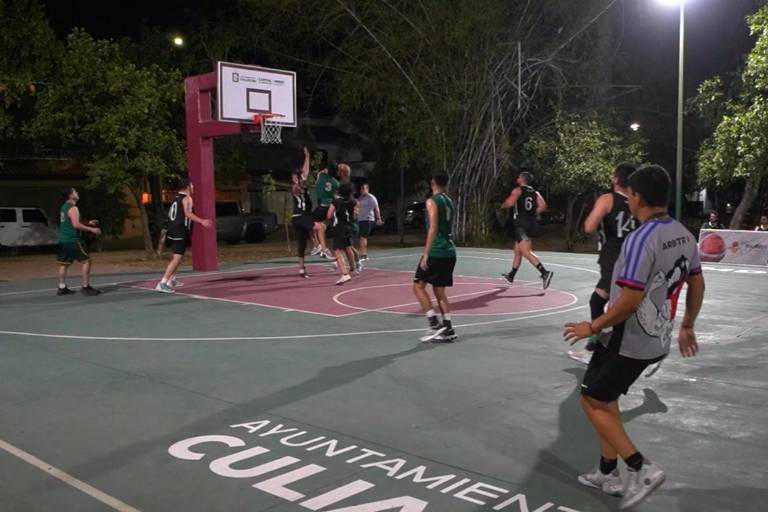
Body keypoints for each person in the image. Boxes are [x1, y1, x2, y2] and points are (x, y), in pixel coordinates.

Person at [564, 165, 705, 509]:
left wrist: (593, 327)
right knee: (607, 398)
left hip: (627, 340)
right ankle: (608, 472)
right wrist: (687, 324)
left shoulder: (641, 239)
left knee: (591, 400)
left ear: (636, 196)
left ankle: (641, 467)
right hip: (656, 340)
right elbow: (697, 281)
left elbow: (629, 300)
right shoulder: (684, 234)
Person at [569, 164, 638, 364]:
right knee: (609, 302)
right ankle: (596, 343)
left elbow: (589, 226)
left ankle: (599, 347)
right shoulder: (638, 204)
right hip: (634, 258)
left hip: (614, 258)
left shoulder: (608, 199)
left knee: (605, 304)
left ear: (616, 179)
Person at [413, 174, 458, 343]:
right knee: (439, 291)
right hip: (450, 251)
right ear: (446, 184)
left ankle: (434, 324)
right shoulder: (449, 201)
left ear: (432, 183)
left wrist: (426, 253)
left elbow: (433, 227)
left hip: (436, 251)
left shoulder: (432, 201)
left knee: (418, 286)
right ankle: (448, 328)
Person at [155, 179, 213, 293]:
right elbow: (187, 213)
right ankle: (162, 283)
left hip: (174, 229)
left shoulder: (177, 198)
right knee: (177, 257)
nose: (193, 187)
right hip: (180, 230)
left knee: (179, 256)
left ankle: (171, 279)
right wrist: (202, 221)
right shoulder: (187, 198)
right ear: (187, 187)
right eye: (192, 185)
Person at [501, 171, 553, 289]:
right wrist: (533, 212)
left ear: (522, 180)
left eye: (518, 177)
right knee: (517, 250)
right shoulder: (535, 192)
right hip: (531, 223)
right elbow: (543, 206)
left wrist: (502, 205)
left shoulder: (517, 190)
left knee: (525, 251)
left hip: (521, 224)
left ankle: (545, 273)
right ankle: (511, 275)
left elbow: (509, 203)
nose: (517, 178)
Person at [56, 187, 102, 296]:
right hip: (73, 240)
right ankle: (85, 287)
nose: (77, 193)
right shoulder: (73, 208)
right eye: (75, 192)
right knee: (86, 261)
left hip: (63, 240)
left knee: (64, 264)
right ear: (71, 195)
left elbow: (72, 221)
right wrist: (92, 229)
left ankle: (62, 287)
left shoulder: (64, 207)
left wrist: (88, 222)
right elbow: (75, 225)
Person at [326, 183, 357, 285]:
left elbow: (329, 215)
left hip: (339, 227)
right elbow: (355, 215)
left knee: (336, 250)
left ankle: (344, 274)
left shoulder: (336, 202)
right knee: (348, 247)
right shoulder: (353, 202)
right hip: (349, 227)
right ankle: (353, 269)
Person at [312, 152, 339, 260]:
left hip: (322, 207)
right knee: (322, 227)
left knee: (309, 226)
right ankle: (323, 248)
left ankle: (320, 247)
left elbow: (321, 172)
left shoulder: (321, 176)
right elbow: (337, 197)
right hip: (330, 209)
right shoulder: (336, 183)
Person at [291, 148, 313, 278]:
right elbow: (298, 186)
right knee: (317, 227)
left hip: (302, 218)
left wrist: (307, 157)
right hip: (300, 217)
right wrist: (298, 180)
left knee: (302, 243)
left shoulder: (303, 184)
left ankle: (301, 269)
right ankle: (318, 247)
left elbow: (306, 172)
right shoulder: (295, 187)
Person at [357, 182, 384, 261]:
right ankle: (363, 254)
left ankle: (364, 255)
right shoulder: (361, 198)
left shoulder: (371, 197)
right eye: (361, 189)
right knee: (361, 237)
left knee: (363, 237)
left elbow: (376, 208)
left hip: (368, 219)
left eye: (364, 188)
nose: (362, 190)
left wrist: (378, 218)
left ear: (367, 189)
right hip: (361, 220)